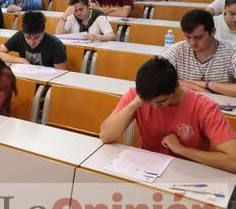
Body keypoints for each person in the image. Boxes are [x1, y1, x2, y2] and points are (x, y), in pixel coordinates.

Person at [100, 58, 236, 172]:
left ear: (176, 85)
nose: (154, 107)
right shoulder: (138, 95)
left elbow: (233, 161)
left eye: (161, 101)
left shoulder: (203, 107)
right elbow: (106, 136)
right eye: (148, 101)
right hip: (147, 169)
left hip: (189, 171)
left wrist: (182, 150)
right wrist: (134, 104)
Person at [164, 9, 236, 97]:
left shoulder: (231, 53)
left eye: (198, 37)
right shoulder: (177, 50)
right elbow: (154, 77)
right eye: (188, 37)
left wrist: (207, 85)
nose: (192, 43)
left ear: (213, 32)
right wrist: (196, 88)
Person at [0, 11, 67, 68]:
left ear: (43, 32)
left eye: (36, 37)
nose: (32, 42)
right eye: (27, 37)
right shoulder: (19, 36)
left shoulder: (56, 44)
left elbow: (59, 72)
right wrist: (20, 60)